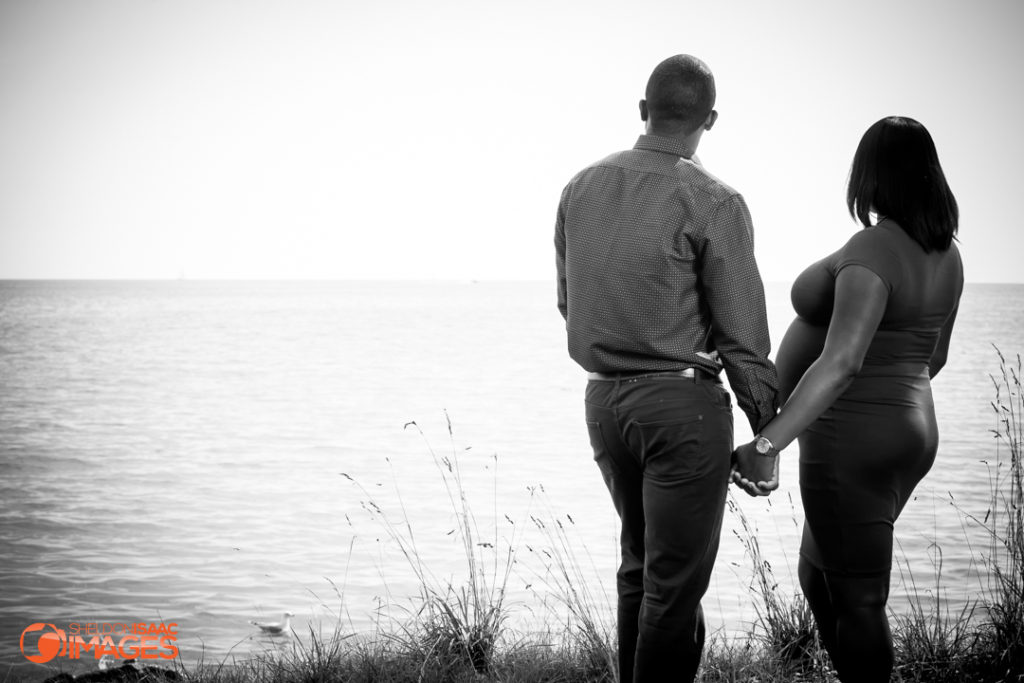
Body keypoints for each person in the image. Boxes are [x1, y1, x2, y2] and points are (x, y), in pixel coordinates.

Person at [554, 54, 780, 683]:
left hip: (603, 406)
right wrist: (767, 432)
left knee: (640, 567)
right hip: (680, 410)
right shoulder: (715, 200)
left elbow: (570, 302)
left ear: (643, 110)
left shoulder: (579, 186)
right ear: (711, 119)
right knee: (673, 589)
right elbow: (743, 336)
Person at [732, 116, 963, 682]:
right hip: (910, 431)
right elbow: (934, 358)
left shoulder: (873, 250)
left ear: (869, 175)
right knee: (821, 578)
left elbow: (841, 363)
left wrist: (768, 442)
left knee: (859, 601)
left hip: (851, 443)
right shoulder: (947, 255)